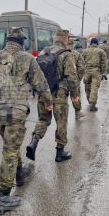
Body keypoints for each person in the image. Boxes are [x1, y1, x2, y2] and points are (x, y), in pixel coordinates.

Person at [0, 27, 53, 215]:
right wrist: (48, 102)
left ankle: (19, 173)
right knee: (10, 151)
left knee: (10, 145)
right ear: (22, 42)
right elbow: (40, 83)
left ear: (8, 41)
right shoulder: (26, 58)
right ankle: (2, 197)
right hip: (14, 111)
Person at [27, 29, 79, 162]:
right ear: (66, 39)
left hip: (45, 93)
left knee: (43, 120)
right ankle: (60, 152)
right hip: (60, 94)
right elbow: (71, 76)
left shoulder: (44, 52)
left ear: (55, 38)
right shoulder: (67, 54)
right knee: (61, 122)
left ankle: (34, 142)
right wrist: (74, 94)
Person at [82, 38, 107, 111]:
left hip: (87, 71)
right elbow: (104, 63)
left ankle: (89, 100)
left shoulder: (85, 51)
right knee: (94, 88)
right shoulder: (101, 51)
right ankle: (92, 104)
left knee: (87, 87)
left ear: (91, 43)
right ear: (97, 43)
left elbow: (81, 61)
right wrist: (103, 72)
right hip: (97, 71)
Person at [71, 39, 85, 119]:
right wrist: (79, 78)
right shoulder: (76, 54)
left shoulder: (60, 52)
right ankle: (77, 112)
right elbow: (82, 68)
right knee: (75, 96)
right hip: (74, 79)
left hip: (61, 81)